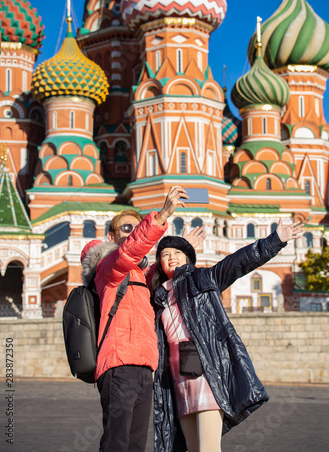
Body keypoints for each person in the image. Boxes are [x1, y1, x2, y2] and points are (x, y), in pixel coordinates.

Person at [150, 219, 304, 452]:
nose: (172, 257)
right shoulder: (159, 297)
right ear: (159, 263)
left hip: (206, 372)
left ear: (188, 258)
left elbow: (238, 262)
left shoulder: (202, 279)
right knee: (189, 448)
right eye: (165, 254)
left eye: (178, 252)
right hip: (176, 379)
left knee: (208, 449)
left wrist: (276, 240)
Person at [80, 186, 204, 452]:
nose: (132, 232)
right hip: (118, 363)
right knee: (117, 443)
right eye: (127, 228)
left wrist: (183, 249)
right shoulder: (108, 267)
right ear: (111, 236)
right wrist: (161, 216)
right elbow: (128, 253)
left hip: (144, 366)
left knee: (136, 444)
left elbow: (162, 273)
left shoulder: (138, 276)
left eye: (136, 228)